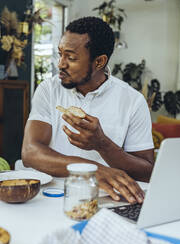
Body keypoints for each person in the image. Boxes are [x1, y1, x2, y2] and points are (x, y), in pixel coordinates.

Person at [22, 17, 154, 204]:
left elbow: (147, 172)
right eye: (60, 54)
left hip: (109, 202)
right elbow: (30, 152)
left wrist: (102, 144)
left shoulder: (132, 101)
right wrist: (91, 169)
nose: (60, 64)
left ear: (99, 62)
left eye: (71, 57)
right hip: (52, 198)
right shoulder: (49, 90)